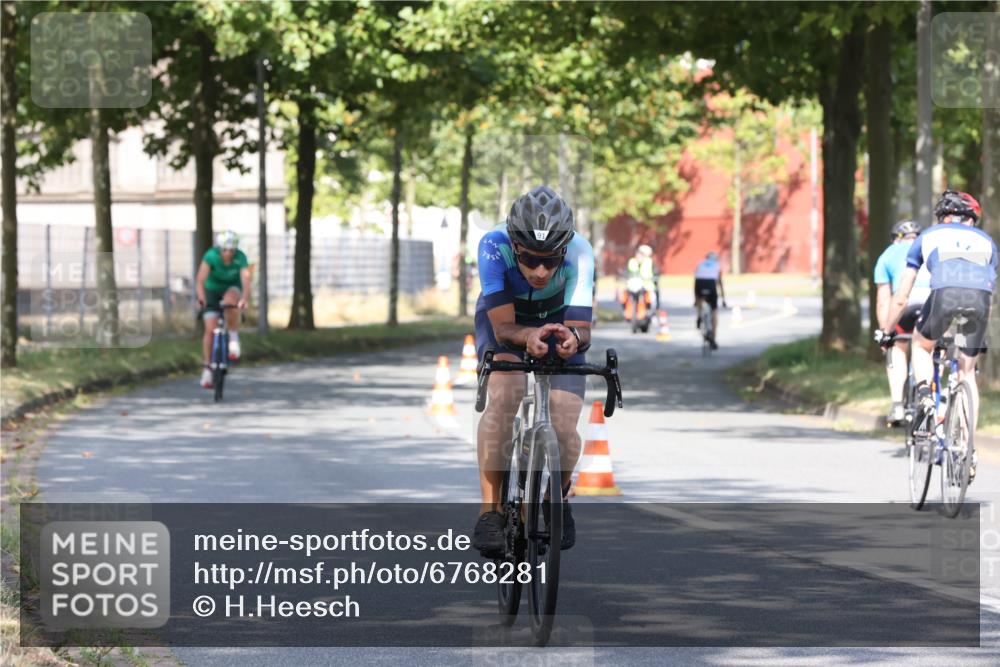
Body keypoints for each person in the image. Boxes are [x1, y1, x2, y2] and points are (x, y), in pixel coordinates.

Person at [472, 185, 594, 556]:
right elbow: (504, 329)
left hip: (558, 322)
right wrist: (528, 337)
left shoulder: (581, 252)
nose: (541, 271)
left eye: (551, 261)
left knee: (565, 421)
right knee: (506, 398)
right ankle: (490, 512)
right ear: (515, 246)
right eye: (529, 259)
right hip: (506, 321)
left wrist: (573, 338)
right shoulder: (493, 245)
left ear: (564, 249)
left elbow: (582, 328)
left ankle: (554, 498)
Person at [879, 190, 995, 482]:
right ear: (971, 219)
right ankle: (968, 447)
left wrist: (888, 330)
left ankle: (925, 397)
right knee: (967, 373)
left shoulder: (927, 236)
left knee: (921, 345)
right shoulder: (987, 241)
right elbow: (989, 292)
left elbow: (902, 296)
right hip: (979, 302)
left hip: (943, 298)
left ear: (942, 216)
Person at [873, 220, 930, 424]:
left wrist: (884, 332)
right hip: (931, 303)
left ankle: (897, 405)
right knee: (930, 346)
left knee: (897, 346)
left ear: (895, 239)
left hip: (905, 303)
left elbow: (883, 300)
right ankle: (932, 397)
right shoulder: (930, 247)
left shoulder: (887, 255)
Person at [195, 231, 250, 389]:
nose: (229, 253)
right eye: (225, 250)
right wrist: (201, 298)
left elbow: (246, 281)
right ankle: (207, 367)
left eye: (232, 250)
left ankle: (233, 337)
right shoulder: (211, 256)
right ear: (220, 249)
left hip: (231, 289)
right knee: (210, 329)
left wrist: (244, 299)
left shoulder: (240, 257)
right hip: (211, 290)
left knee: (230, 301)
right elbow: (200, 280)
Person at [693, 251, 727, 349]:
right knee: (714, 310)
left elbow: (695, 281)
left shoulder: (700, 264)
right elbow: (720, 284)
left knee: (700, 300)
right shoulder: (716, 265)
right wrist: (723, 299)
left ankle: (699, 317)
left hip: (699, 283)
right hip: (711, 284)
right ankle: (713, 338)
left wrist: (696, 300)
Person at [627, 244, 659, 310]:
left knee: (652, 299)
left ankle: (651, 310)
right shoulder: (632, 261)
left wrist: (654, 277)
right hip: (634, 286)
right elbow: (626, 272)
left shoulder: (649, 262)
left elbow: (656, 272)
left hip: (647, 286)